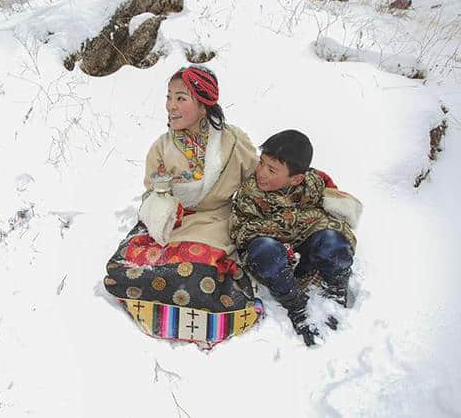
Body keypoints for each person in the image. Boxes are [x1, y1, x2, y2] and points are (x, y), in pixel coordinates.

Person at [104, 65, 262, 345]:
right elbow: (150, 196)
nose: (170, 107)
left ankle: (189, 303)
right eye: (168, 98)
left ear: (203, 104)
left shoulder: (233, 141)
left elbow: (256, 181)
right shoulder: (161, 148)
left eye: (180, 98)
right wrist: (162, 205)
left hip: (213, 220)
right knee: (125, 266)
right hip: (171, 222)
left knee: (198, 269)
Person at [229, 130, 362, 346]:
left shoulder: (312, 185)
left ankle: (335, 291)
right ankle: (296, 303)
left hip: (304, 250)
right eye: (261, 163)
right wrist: (285, 231)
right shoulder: (250, 192)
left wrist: (306, 226)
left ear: (297, 178)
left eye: (272, 169)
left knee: (334, 241)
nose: (261, 172)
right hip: (274, 259)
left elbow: (334, 218)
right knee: (265, 252)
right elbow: (242, 232)